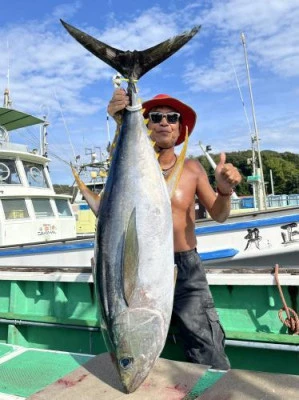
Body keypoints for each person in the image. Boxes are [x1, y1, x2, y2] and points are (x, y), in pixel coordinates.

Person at [107, 89, 242, 370]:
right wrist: (120, 121)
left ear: (180, 128)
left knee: (208, 351)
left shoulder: (192, 169)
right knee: (143, 347)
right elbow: (116, 161)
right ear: (146, 125)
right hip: (141, 271)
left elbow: (218, 215)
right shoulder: (132, 167)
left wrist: (225, 191)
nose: (164, 122)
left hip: (185, 269)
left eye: (172, 118)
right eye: (155, 117)